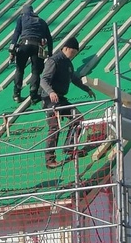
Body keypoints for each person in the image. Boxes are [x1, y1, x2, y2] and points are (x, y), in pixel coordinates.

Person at [39, 36, 96, 169]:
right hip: (50, 99)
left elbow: (74, 79)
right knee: (54, 127)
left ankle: (70, 147)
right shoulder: (54, 61)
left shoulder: (68, 63)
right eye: (73, 52)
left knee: (78, 118)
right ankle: (49, 159)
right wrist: (51, 92)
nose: (74, 55)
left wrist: (86, 89)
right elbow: (44, 80)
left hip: (61, 99)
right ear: (66, 48)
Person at [8, 4, 53, 104]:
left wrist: (12, 48)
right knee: (36, 71)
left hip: (24, 45)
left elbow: (16, 33)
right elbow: (49, 38)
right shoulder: (42, 22)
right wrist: (50, 53)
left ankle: (16, 94)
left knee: (20, 69)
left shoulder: (21, 19)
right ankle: (34, 95)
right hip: (37, 47)